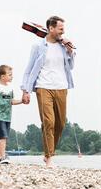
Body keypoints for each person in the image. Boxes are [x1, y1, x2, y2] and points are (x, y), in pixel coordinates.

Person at [21, 16, 76, 166]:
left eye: (63, 29)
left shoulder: (64, 46)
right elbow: (29, 69)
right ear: (51, 29)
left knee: (61, 123)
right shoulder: (39, 46)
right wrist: (25, 90)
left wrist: (70, 52)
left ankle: (49, 152)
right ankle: (49, 156)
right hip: (43, 86)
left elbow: (70, 67)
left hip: (62, 87)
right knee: (48, 122)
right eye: (60, 29)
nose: (63, 32)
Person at [0, 65, 24, 164]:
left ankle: (1, 156)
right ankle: (1, 156)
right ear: (2, 76)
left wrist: (22, 101)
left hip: (8, 117)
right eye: (9, 75)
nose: (12, 77)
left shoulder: (10, 88)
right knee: (2, 136)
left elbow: (12, 101)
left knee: (5, 136)